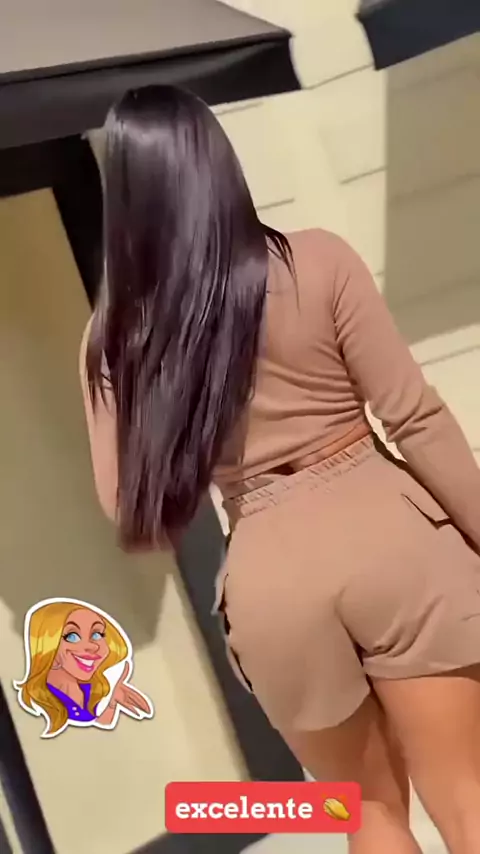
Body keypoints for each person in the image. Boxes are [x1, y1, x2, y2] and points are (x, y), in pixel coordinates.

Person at [79, 84, 480, 853]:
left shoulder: (113, 338)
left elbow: (133, 512)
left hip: (270, 577)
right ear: (218, 163)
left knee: (366, 815)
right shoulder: (317, 261)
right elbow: (414, 417)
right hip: (392, 537)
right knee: (467, 799)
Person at [14, 598, 153, 736]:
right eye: (72, 636)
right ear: (46, 645)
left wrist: (112, 698)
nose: (92, 646)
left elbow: (102, 726)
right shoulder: (37, 701)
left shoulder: (95, 687)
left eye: (97, 634)